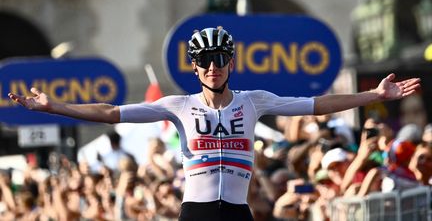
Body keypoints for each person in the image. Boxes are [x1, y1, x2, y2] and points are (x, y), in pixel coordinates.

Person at [8, 26, 421, 221]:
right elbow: (109, 112)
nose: (213, 67)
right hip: (197, 212)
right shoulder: (178, 105)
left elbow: (317, 105)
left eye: (220, 59)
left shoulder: (253, 102)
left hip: (238, 212)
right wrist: (54, 107)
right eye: (205, 61)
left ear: (230, 62)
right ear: (194, 66)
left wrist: (375, 96)